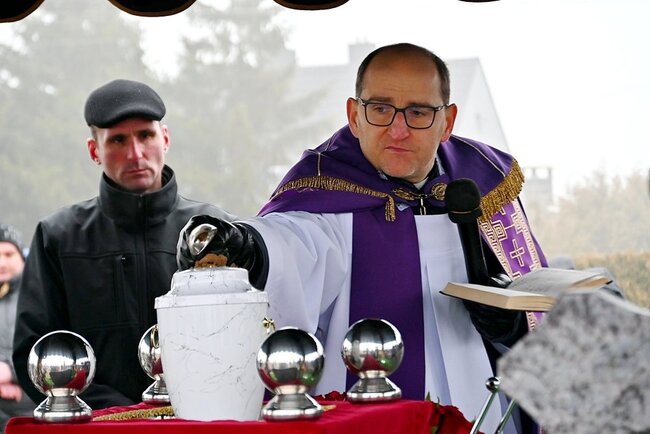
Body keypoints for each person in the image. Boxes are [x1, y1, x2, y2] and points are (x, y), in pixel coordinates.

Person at [176, 43, 546, 433]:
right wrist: (247, 246)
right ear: (354, 116)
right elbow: (294, 244)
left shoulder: (486, 182)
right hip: (370, 418)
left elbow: (537, 300)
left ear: (447, 121)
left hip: (486, 411)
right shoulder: (325, 187)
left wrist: (515, 325)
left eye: (418, 112)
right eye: (381, 109)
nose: (398, 130)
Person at [12, 79, 235, 410]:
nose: (135, 154)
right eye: (118, 140)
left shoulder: (216, 230)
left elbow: (242, 337)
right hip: (97, 425)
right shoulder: (58, 237)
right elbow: (35, 353)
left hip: (201, 420)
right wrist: (119, 414)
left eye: (146, 135)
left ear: (165, 139)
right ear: (94, 151)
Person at [0, 224, 34, 432]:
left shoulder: (38, 296)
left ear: (22, 256)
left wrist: (11, 372)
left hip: (29, 408)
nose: (1, 263)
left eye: (8, 254)